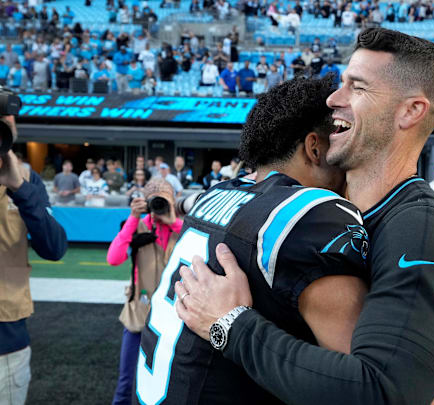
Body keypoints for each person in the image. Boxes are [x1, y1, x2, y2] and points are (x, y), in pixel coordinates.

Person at [175, 28, 434, 405]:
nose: (333, 98)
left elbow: (387, 393)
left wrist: (232, 326)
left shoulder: (421, 225)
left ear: (411, 111)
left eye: (357, 88)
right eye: (342, 83)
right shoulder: (326, 209)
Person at [136, 75, 374, 404]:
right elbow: (362, 384)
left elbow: (191, 203)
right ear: (314, 147)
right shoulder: (311, 215)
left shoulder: (214, 195)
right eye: (339, 137)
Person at [0, 80, 67, 404]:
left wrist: (21, 191)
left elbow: (54, 248)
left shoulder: (27, 179)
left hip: (9, 347)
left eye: (5, 123)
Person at [108, 178, 182, 405]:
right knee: (127, 382)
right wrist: (133, 217)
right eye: (155, 201)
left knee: (170, 383)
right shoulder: (137, 226)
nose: (159, 206)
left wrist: (172, 221)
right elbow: (114, 258)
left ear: (174, 202)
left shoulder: (184, 227)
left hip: (174, 319)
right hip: (139, 314)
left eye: (164, 201)